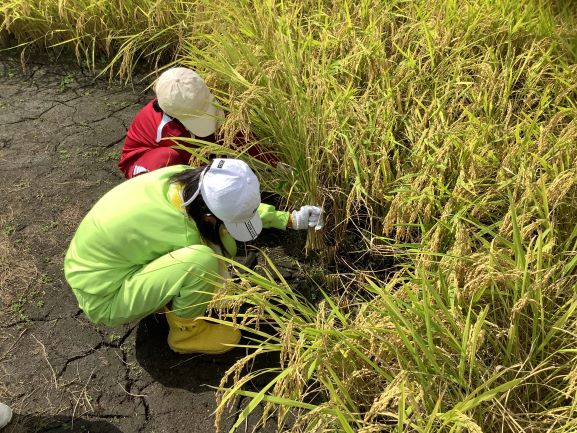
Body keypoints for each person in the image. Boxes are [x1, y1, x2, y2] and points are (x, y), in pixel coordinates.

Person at [64, 158, 323, 354]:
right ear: (209, 215)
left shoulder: (183, 180)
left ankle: (171, 299)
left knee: (216, 252)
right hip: (105, 296)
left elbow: (238, 206)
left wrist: (289, 219)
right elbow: (214, 264)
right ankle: (186, 334)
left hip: (96, 263)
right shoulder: (179, 229)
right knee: (202, 261)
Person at [118, 67, 274, 179]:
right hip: (145, 164)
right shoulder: (168, 131)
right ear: (173, 116)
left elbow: (234, 135)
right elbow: (195, 164)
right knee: (167, 159)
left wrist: (274, 162)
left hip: (186, 153)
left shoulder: (193, 92)